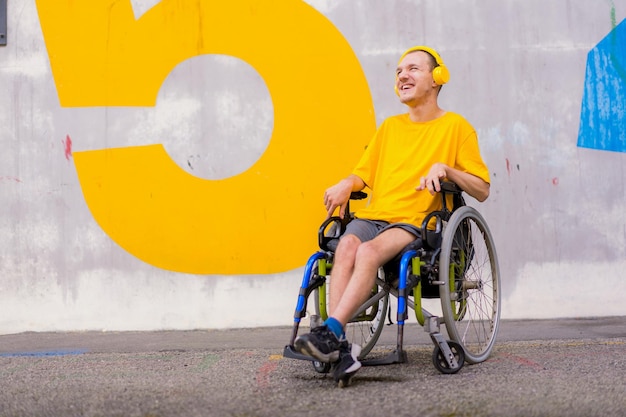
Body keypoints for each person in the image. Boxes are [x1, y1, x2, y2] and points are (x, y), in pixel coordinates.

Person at [294, 45, 491, 387]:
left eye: (413, 69)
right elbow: (363, 175)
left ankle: (332, 333)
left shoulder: (456, 128)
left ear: (437, 78)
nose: (403, 75)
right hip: (374, 216)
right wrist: (346, 183)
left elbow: (482, 189)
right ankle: (339, 347)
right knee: (345, 247)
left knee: (368, 253)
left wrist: (446, 168)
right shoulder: (389, 128)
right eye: (399, 71)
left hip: (414, 220)